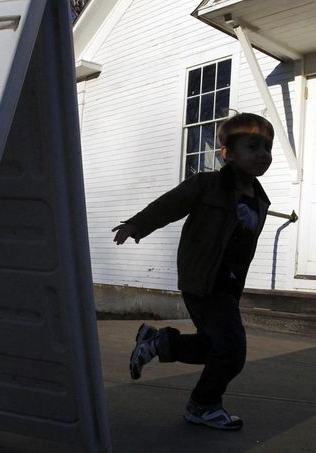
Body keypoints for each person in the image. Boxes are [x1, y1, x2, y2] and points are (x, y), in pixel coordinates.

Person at [112, 113, 274, 431]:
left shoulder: (259, 198)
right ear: (227, 153)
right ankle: (203, 405)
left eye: (267, 148)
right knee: (231, 350)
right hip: (203, 280)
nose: (262, 154)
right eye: (252, 146)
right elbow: (170, 204)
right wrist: (138, 224)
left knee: (215, 346)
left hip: (227, 286)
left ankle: (157, 343)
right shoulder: (208, 185)